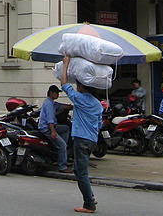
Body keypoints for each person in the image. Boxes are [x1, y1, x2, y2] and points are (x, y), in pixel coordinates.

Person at [60, 55, 103, 214]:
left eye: (78, 84)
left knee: (82, 172)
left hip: (82, 140)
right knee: (78, 170)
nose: (77, 86)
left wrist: (66, 64)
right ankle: (89, 195)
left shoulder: (80, 99)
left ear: (83, 86)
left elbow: (64, 84)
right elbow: (99, 124)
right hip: (92, 140)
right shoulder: (97, 104)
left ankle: (89, 204)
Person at [39, 84, 72, 173]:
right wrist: (53, 132)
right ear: (51, 93)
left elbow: (61, 106)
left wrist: (73, 106)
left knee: (65, 128)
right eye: (56, 93)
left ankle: (61, 153)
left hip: (52, 127)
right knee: (62, 145)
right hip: (47, 129)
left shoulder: (52, 102)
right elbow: (50, 120)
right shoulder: (48, 104)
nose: (58, 95)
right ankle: (62, 166)